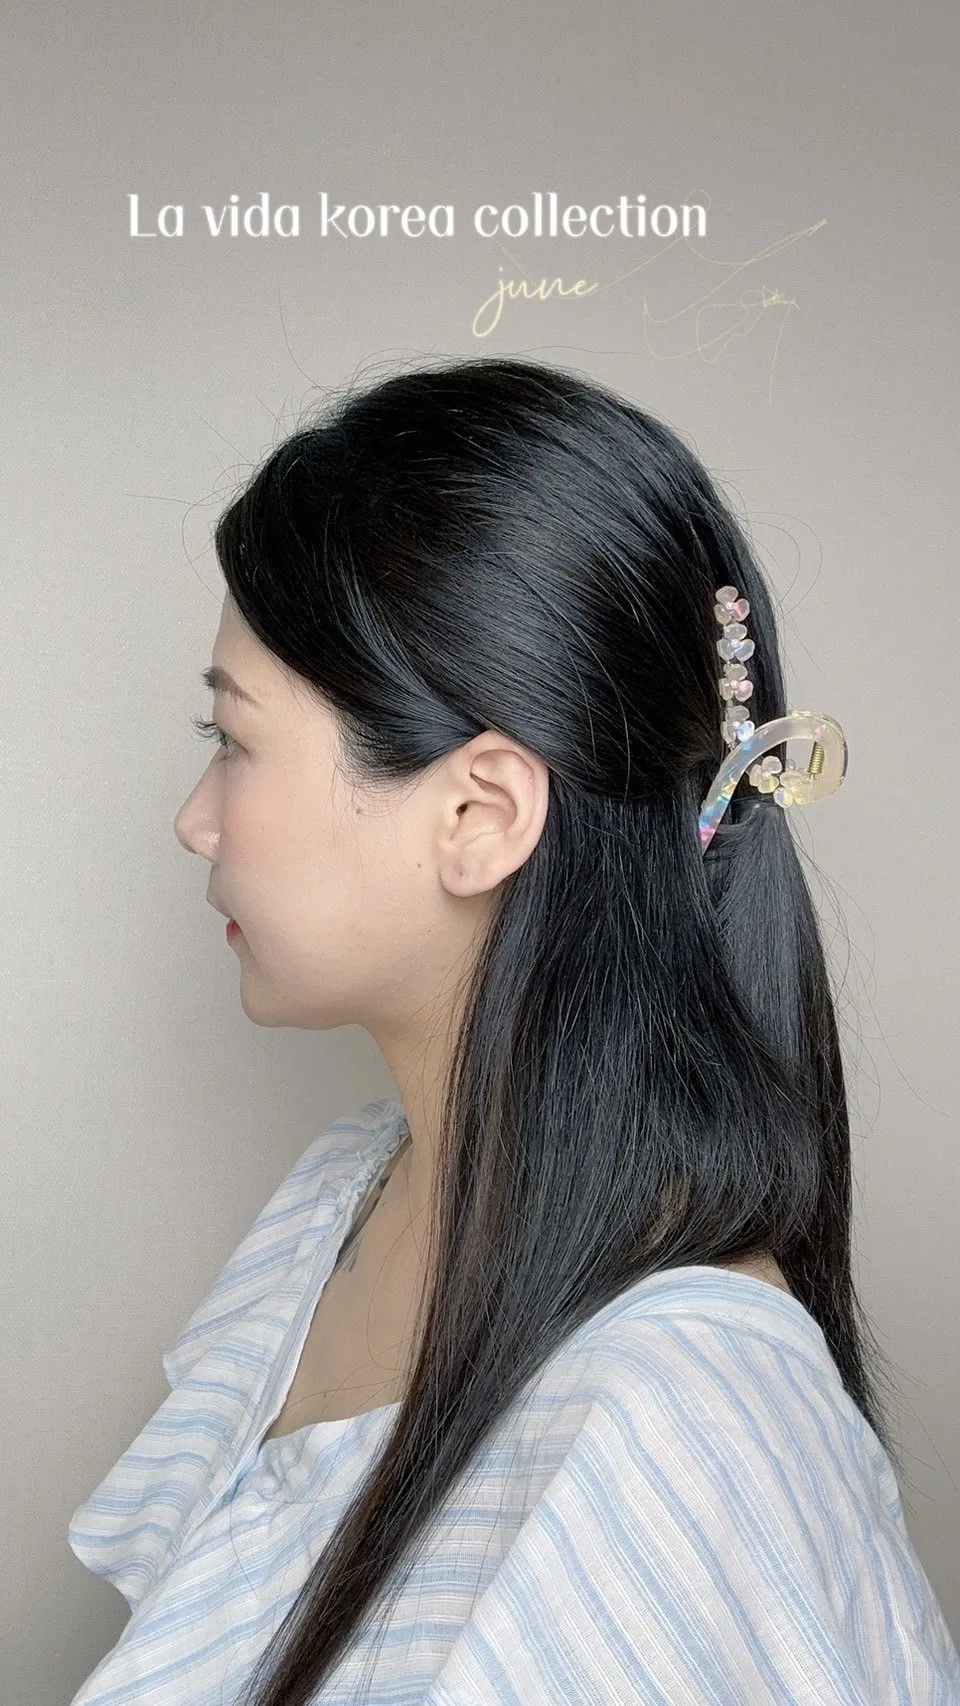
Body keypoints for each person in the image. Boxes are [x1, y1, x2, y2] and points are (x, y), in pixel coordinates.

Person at [68, 357, 960, 1704]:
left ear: (480, 814)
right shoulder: (338, 1206)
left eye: (233, 739)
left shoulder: (683, 1422)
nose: (196, 820)